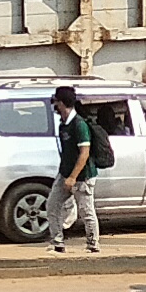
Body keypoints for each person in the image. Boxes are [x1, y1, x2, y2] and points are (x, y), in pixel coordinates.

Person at [48, 84, 107, 249]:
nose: (54, 106)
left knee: (86, 211)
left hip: (83, 176)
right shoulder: (63, 124)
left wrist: (73, 177)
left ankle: (93, 244)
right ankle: (57, 242)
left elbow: (84, 154)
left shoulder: (79, 125)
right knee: (52, 206)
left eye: (56, 102)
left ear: (61, 103)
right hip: (65, 173)